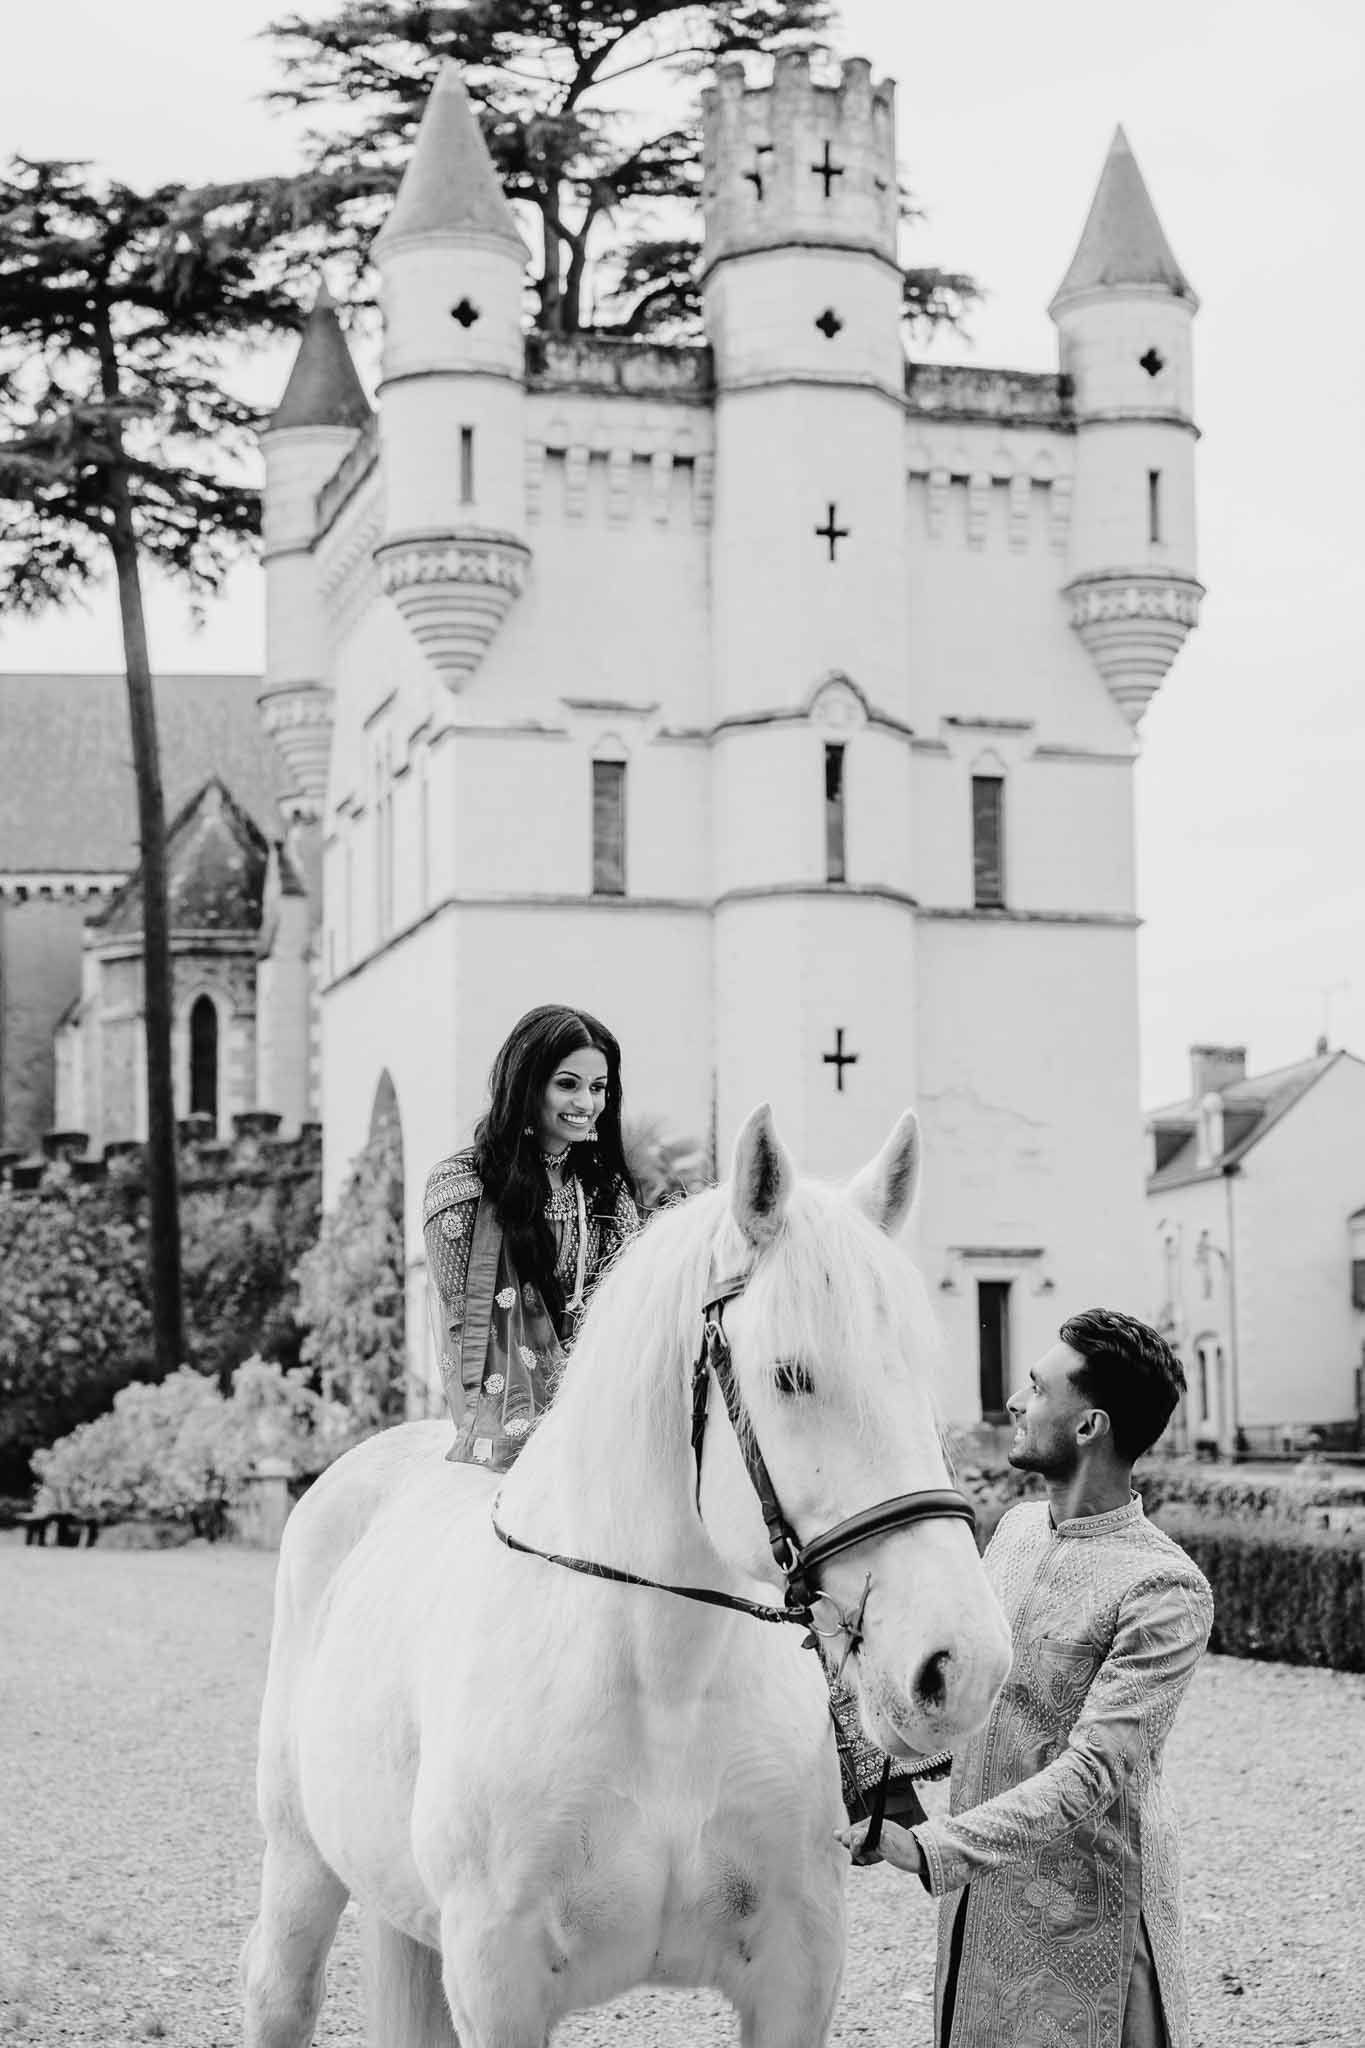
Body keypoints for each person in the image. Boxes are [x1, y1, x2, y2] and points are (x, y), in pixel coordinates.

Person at [839, 1309, 1214, 2048]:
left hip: (1090, 1919)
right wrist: (867, 1750)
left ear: (1088, 1427)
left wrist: (935, 1848)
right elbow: (970, 1714)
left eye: (1037, 1389)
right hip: (981, 1901)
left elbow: (1093, 1771)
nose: (1015, 1400)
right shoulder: (1011, 1531)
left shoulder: (1163, 1587)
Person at [423, 1005, 640, 1472]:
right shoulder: (461, 1188)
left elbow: (628, 1313)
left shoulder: (608, 1192)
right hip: (506, 1417)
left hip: (601, 1404)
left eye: (598, 1088)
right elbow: (467, 1328)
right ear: (526, 1086)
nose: (586, 1102)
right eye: (568, 1084)